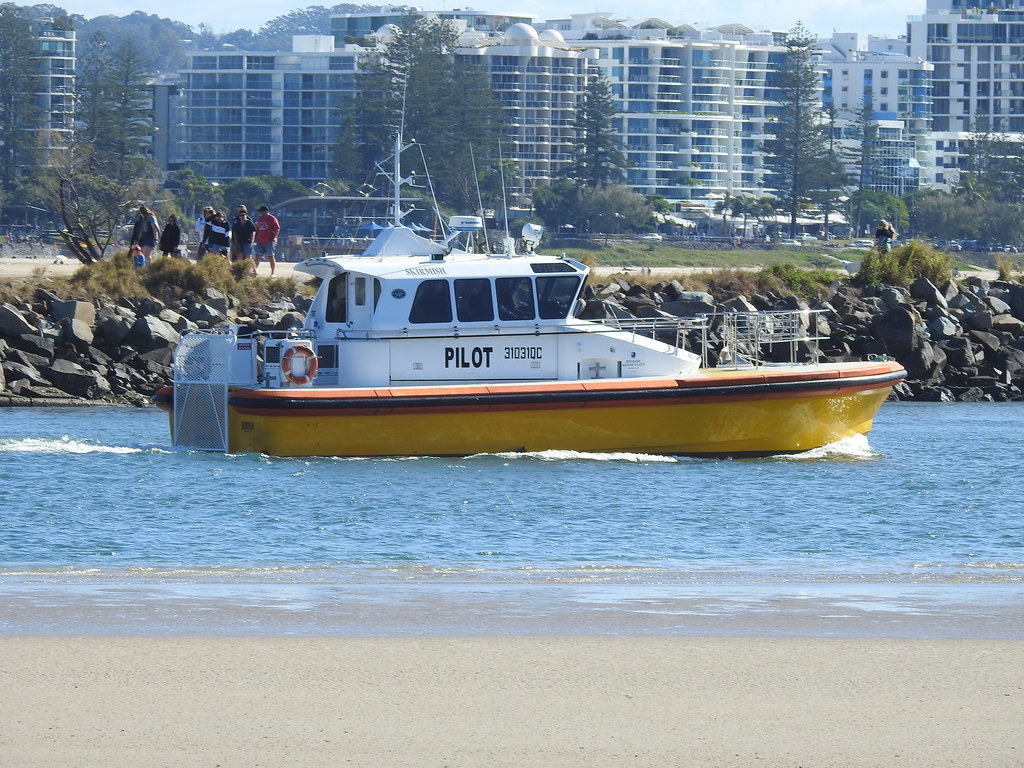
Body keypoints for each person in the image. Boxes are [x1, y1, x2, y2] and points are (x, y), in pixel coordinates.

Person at [254, 204, 280, 276]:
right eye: (260, 212)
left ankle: (272, 273)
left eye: (262, 211)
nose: (261, 213)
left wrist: (273, 237)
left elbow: (277, 229)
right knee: (257, 256)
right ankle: (254, 270)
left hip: (269, 241)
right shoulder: (260, 218)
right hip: (260, 240)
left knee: (270, 256)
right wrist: (256, 237)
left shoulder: (272, 218)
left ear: (266, 211)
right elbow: (257, 229)